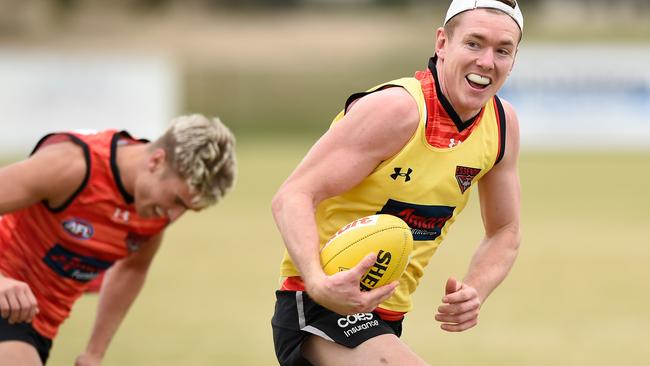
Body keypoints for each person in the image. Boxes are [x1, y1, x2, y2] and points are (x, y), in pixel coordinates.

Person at [271, 0, 523, 364]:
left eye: (503, 50)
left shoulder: (501, 125)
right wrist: (318, 282)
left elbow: (506, 231)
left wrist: (476, 290)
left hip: (387, 318)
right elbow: (293, 194)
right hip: (317, 308)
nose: (487, 61)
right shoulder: (397, 110)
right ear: (441, 43)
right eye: (474, 43)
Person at [0, 114, 236, 365]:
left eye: (189, 209)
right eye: (177, 200)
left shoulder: (154, 209)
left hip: (35, 324)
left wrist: (95, 352)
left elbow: (133, 267)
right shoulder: (73, 166)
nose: (174, 215)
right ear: (157, 161)